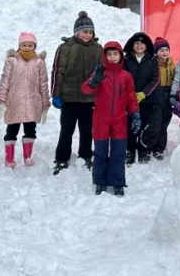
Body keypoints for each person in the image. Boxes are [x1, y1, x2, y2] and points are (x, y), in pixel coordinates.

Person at [81, 41, 139, 196]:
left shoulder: (126, 76)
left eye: (115, 53)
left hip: (120, 118)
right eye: (109, 54)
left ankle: (117, 182)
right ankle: (100, 181)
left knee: (119, 152)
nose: (112, 57)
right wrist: (95, 81)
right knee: (100, 152)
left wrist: (135, 114)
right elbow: (85, 89)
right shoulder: (100, 73)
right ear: (105, 56)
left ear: (120, 55)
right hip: (101, 118)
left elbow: (132, 97)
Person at [51, 12, 103, 175]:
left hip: (89, 99)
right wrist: (56, 94)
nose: (87, 35)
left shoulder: (98, 49)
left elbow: (101, 72)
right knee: (66, 129)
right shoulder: (66, 47)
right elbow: (58, 71)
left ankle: (86, 155)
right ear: (76, 32)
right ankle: (61, 158)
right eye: (84, 31)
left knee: (87, 130)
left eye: (90, 32)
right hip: (70, 97)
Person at [0, 32, 49, 169]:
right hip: (14, 102)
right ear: (19, 45)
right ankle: (9, 158)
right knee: (11, 131)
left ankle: (27, 156)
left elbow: (43, 83)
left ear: (34, 46)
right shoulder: (11, 61)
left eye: (30, 45)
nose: (27, 47)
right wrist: (1, 100)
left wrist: (45, 103)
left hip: (32, 103)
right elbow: (4, 81)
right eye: (24, 45)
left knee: (30, 131)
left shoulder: (39, 62)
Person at [123, 32, 160, 164]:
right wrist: (131, 95)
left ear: (146, 46)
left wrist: (144, 93)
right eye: (136, 43)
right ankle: (130, 151)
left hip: (147, 100)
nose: (139, 46)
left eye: (142, 43)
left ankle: (143, 150)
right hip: (130, 100)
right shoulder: (126, 60)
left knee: (145, 126)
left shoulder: (152, 60)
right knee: (131, 126)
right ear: (132, 45)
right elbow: (123, 79)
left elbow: (155, 79)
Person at [153, 37, 176, 160]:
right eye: (161, 50)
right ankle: (154, 146)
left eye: (166, 49)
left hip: (168, 95)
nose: (164, 52)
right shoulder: (153, 64)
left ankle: (160, 148)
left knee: (165, 123)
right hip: (157, 95)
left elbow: (175, 79)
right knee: (156, 123)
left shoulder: (172, 64)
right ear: (156, 52)